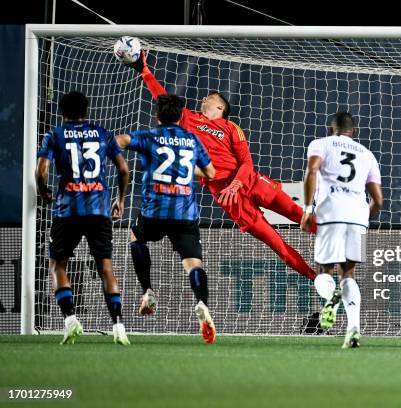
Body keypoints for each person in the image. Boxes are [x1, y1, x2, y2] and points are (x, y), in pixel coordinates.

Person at [127, 51, 317, 282]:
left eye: (209, 97)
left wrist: (236, 184)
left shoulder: (230, 127)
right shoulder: (190, 119)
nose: (203, 99)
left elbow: (247, 162)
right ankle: (316, 279)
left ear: (220, 107)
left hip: (251, 183)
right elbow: (162, 98)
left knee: (300, 215)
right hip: (230, 199)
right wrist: (145, 71)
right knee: (276, 244)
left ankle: (341, 244)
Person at [114, 94, 217, 344]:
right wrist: (186, 169)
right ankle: (201, 303)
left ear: (157, 116)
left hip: (154, 212)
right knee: (193, 264)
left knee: (136, 236)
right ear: (182, 117)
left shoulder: (148, 136)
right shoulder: (192, 139)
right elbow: (211, 173)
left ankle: (148, 290)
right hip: (185, 214)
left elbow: (119, 141)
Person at [36, 91, 130, 345]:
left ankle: (70, 320)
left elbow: (42, 170)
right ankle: (119, 326)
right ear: (86, 110)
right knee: (106, 269)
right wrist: (120, 200)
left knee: (58, 265)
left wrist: (43, 191)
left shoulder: (55, 134)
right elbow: (123, 169)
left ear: (62, 111)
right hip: (99, 209)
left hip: (68, 210)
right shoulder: (102, 133)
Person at [301, 112, 383, 348]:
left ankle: (331, 299)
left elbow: (312, 171)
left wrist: (308, 209)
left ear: (331, 129)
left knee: (324, 270)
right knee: (348, 273)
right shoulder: (368, 155)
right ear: (354, 132)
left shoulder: (320, 144)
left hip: (330, 212)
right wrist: (361, 217)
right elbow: (378, 200)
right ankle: (353, 327)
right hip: (358, 215)